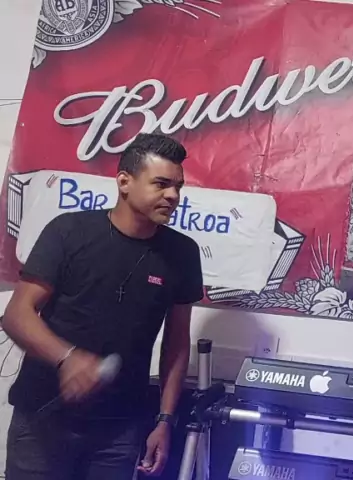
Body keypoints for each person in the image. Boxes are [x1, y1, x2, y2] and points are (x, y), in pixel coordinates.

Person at [2, 133, 203, 479]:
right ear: (124, 182)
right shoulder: (69, 232)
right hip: (42, 419)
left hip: (120, 429)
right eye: (161, 184)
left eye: (178, 186)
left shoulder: (182, 253)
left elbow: (176, 344)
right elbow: (17, 315)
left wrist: (165, 420)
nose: (173, 196)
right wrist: (67, 358)